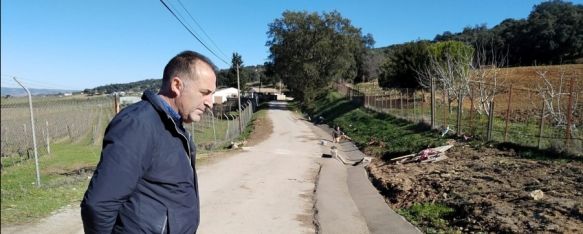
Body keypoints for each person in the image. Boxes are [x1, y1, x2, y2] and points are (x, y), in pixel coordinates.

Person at [81, 50, 217, 233]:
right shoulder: (138, 124)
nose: (210, 102)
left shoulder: (171, 124)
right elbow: (99, 204)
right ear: (177, 85)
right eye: (204, 93)